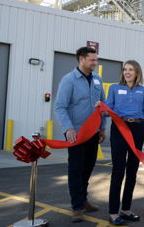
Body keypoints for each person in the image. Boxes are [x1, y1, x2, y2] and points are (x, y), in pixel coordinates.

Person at [54, 46, 106, 223]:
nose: (95, 62)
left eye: (96, 59)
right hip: (75, 133)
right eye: (92, 59)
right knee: (75, 168)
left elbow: (103, 107)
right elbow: (60, 106)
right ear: (81, 59)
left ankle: (83, 199)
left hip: (93, 132)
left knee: (88, 167)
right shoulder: (69, 80)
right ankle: (77, 207)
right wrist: (68, 128)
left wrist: (103, 128)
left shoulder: (97, 80)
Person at [105, 60, 144, 225]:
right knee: (118, 171)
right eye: (125, 70)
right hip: (120, 129)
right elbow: (109, 109)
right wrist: (102, 108)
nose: (127, 72)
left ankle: (126, 209)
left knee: (132, 170)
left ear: (137, 72)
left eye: (131, 70)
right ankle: (113, 212)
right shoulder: (115, 88)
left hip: (137, 129)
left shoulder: (143, 90)